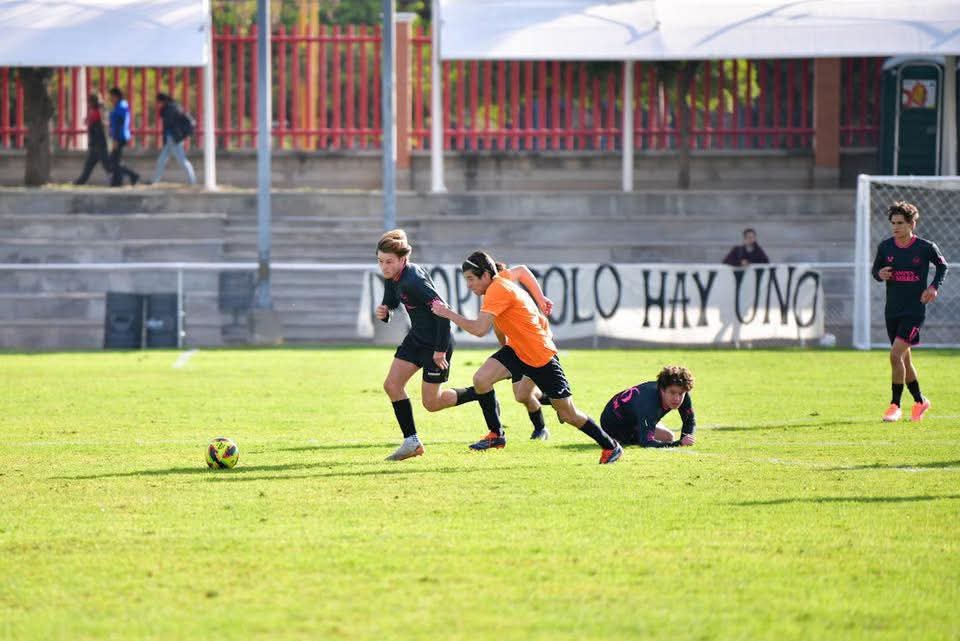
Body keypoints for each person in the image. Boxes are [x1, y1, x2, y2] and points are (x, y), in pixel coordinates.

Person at [431, 251, 623, 464]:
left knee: (569, 414)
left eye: (470, 279)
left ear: (485, 275)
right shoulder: (499, 278)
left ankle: (610, 446)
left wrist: (448, 313)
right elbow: (522, 271)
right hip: (517, 350)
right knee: (482, 379)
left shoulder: (497, 290)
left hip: (540, 355)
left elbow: (479, 329)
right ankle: (496, 435)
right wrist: (540, 298)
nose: (468, 285)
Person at [376, 229, 479, 461]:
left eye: (389, 262)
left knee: (431, 404)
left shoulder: (414, 281)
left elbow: (442, 312)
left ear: (403, 259)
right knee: (392, 385)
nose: (384, 267)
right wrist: (385, 312)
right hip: (416, 339)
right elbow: (391, 302)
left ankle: (480, 394)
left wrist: (440, 350)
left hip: (436, 342)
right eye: (381, 261)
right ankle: (411, 442)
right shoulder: (392, 276)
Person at [871, 201, 948, 422]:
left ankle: (895, 405)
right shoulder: (885, 247)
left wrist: (933, 287)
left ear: (912, 223)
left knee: (895, 355)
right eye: (893, 223)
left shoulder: (925, 247)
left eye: (900, 223)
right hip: (892, 310)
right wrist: (880, 273)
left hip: (914, 311)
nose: (895, 227)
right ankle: (920, 401)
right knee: (903, 359)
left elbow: (942, 266)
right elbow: (875, 270)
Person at [494, 261, 555, 440]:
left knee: (522, 395)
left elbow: (521, 270)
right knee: (522, 395)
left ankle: (541, 427)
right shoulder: (491, 294)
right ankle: (552, 399)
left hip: (536, 345)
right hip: (517, 347)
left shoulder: (499, 284)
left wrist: (541, 298)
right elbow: (498, 327)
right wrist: (505, 354)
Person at [599, 366, 697, 448]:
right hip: (614, 425)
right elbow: (646, 442)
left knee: (667, 436)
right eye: (672, 392)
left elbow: (689, 420)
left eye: (681, 393)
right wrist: (679, 443)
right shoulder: (649, 402)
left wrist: (687, 438)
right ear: (662, 389)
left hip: (637, 416)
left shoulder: (682, 395)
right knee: (668, 437)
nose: (677, 398)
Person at [152, 93, 197, 185]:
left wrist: (173, 137)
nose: (157, 104)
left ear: (162, 101)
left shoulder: (171, 109)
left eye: (158, 102)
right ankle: (154, 181)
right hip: (171, 138)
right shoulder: (171, 107)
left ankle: (193, 181)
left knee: (182, 161)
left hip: (174, 138)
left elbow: (170, 124)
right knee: (161, 160)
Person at [73, 93, 110, 185]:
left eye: (89, 102)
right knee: (90, 165)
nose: (88, 104)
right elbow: (87, 121)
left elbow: (93, 123)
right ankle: (80, 181)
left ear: (93, 102)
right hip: (97, 144)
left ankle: (129, 176)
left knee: (108, 166)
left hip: (99, 144)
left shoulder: (98, 111)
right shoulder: (97, 110)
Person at [107, 87, 139, 187]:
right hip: (120, 136)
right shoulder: (120, 105)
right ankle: (117, 182)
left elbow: (119, 124)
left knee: (113, 160)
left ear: (116, 96)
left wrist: (115, 139)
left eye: (111, 96)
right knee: (115, 160)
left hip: (120, 137)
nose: (110, 99)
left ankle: (132, 175)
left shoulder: (121, 106)